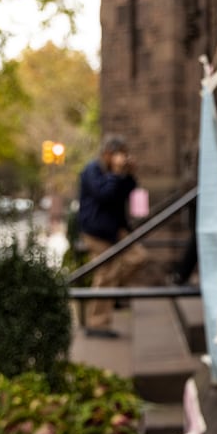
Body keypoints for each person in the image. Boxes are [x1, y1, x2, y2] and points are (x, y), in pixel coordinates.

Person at [77, 134, 148, 338]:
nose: (122, 159)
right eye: (120, 155)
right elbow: (104, 195)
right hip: (96, 231)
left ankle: (112, 293)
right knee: (105, 273)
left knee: (138, 257)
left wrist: (129, 175)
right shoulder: (92, 170)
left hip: (115, 230)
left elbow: (128, 193)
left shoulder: (116, 173)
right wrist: (117, 173)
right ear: (108, 154)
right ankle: (97, 323)